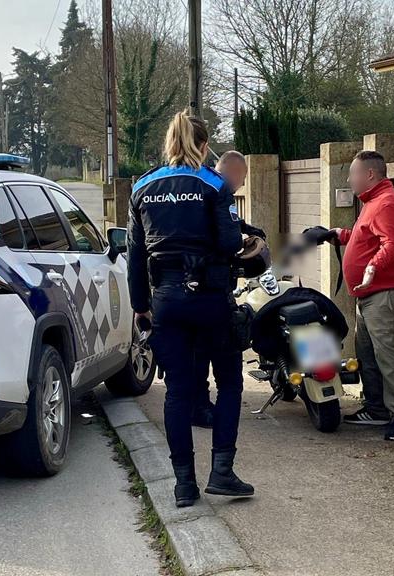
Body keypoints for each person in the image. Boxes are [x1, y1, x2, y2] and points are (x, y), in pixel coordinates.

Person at [127, 111, 254, 507]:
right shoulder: (213, 184)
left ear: (169, 143)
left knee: (178, 394)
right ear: (203, 146)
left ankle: (184, 485)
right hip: (211, 298)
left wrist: (140, 306)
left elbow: (134, 254)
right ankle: (222, 472)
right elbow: (230, 240)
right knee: (230, 382)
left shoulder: (142, 186)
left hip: (166, 301)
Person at [330, 151, 394, 441]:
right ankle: (376, 408)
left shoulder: (388, 203)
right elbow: (366, 236)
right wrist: (338, 234)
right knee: (368, 352)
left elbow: (392, 244)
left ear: (370, 174)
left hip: (390, 292)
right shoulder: (373, 203)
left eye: (353, 173)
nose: (349, 179)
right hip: (372, 294)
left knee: (387, 354)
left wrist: (372, 267)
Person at [191, 150, 260, 429]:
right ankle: (205, 409)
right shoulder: (219, 189)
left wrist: (246, 226)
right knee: (218, 356)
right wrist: (243, 240)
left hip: (181, 287)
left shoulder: (195, 186)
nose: (241, 185)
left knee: (197, 351)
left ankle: (197, 405)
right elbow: (229, 239)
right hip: (210, 287)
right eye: (241, 178)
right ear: (231, 171)